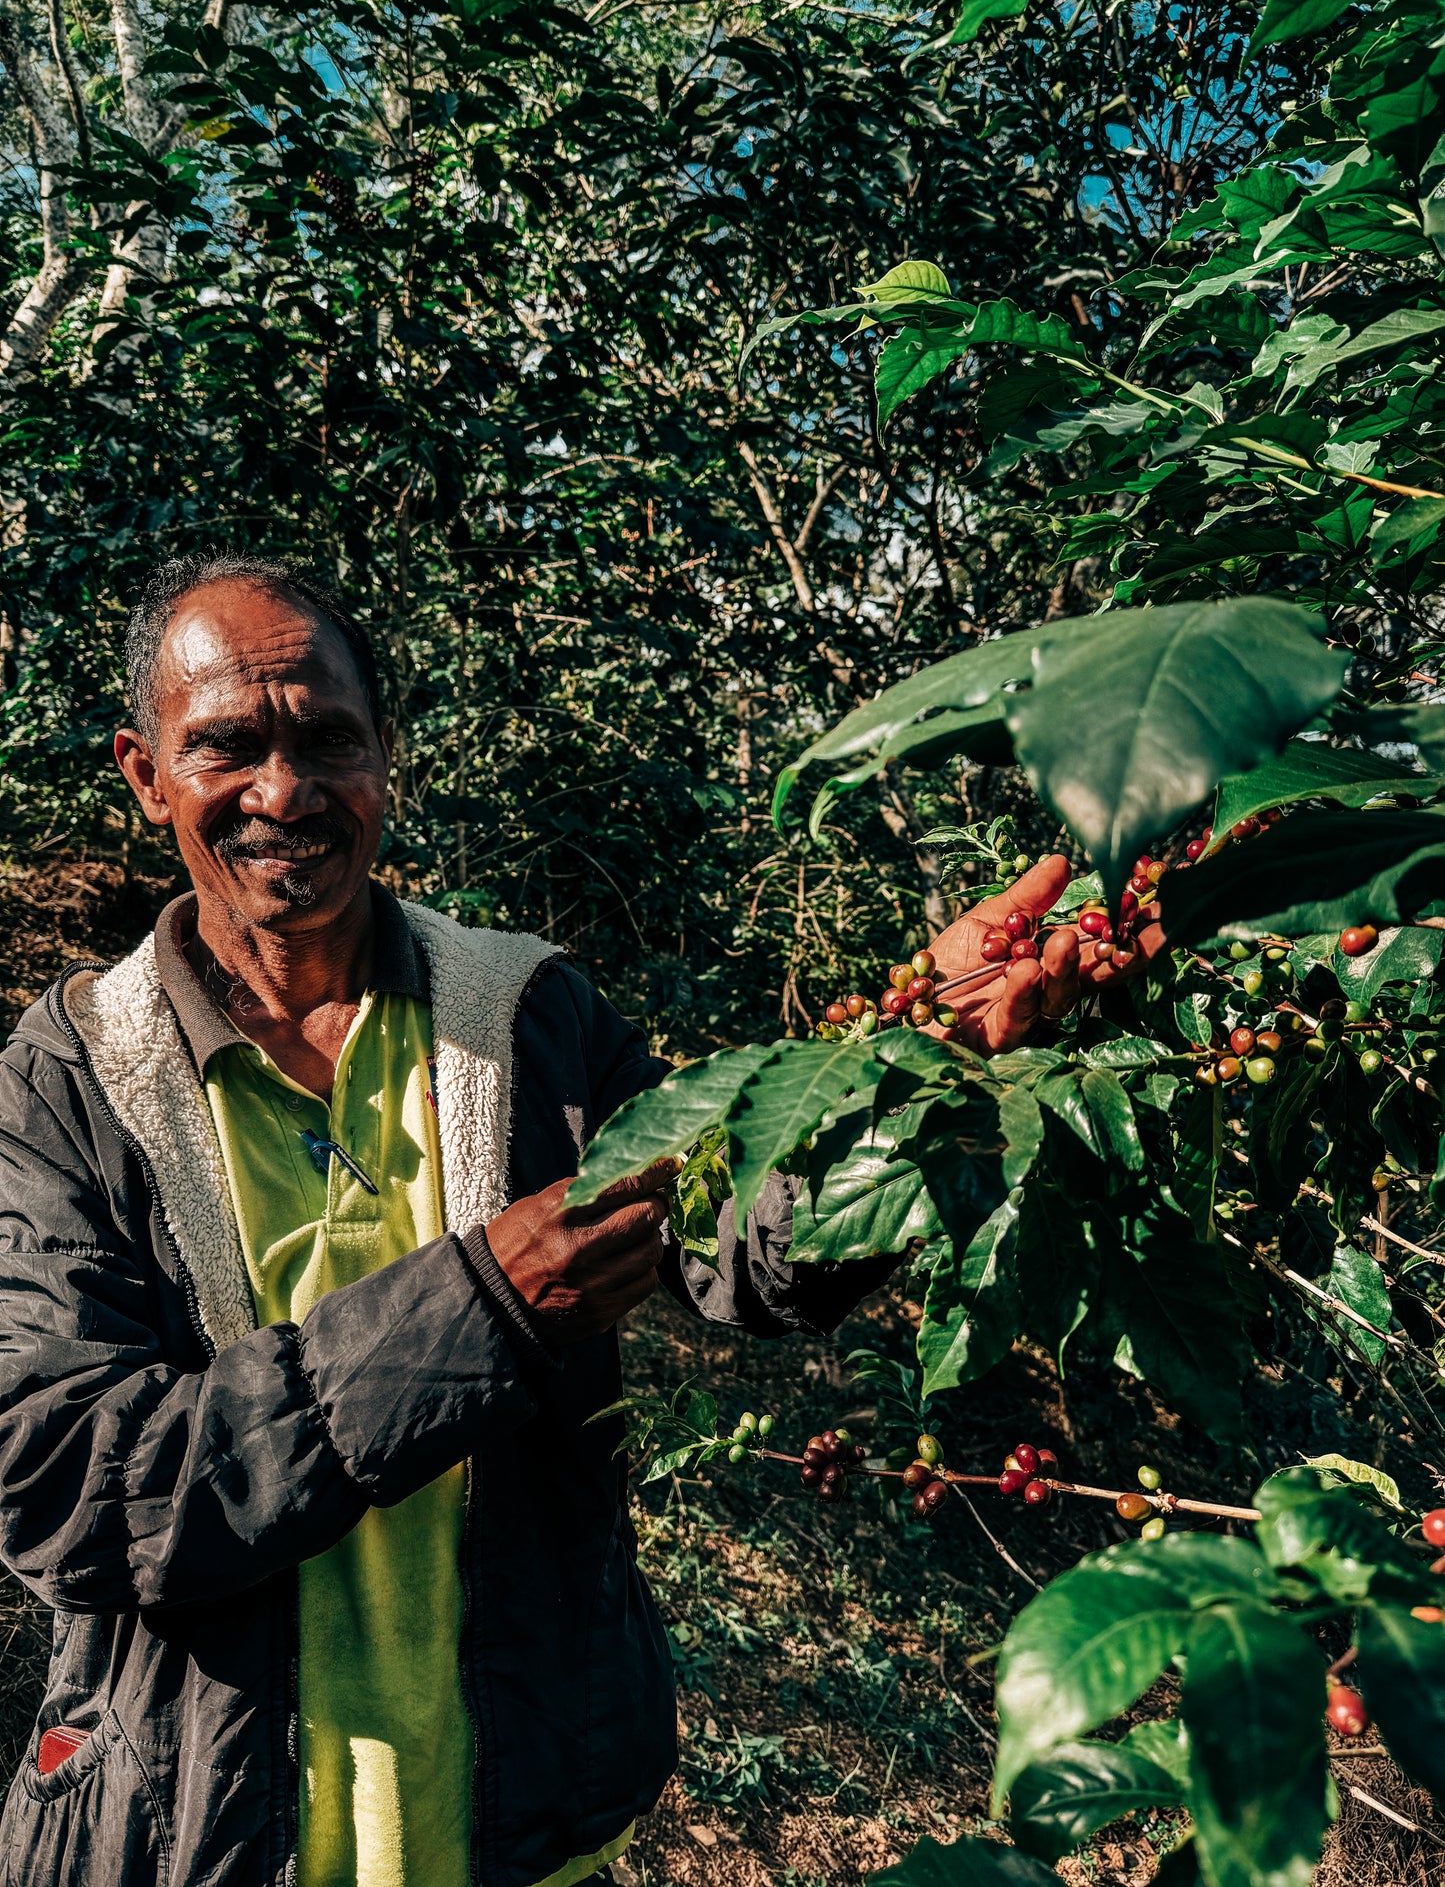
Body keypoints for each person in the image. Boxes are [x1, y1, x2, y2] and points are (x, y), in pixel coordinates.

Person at [0, 554, 1139, 1887]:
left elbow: (735, 1254)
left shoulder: (526, 1018)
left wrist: (914, 1072)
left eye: (328, 740)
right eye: (228, 747)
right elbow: (69, 1484)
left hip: (524, 1842)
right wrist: (479, 1309)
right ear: (146, 778)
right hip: (194, 1845)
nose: (285, 791)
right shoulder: (67, 1083)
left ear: (387, 760)